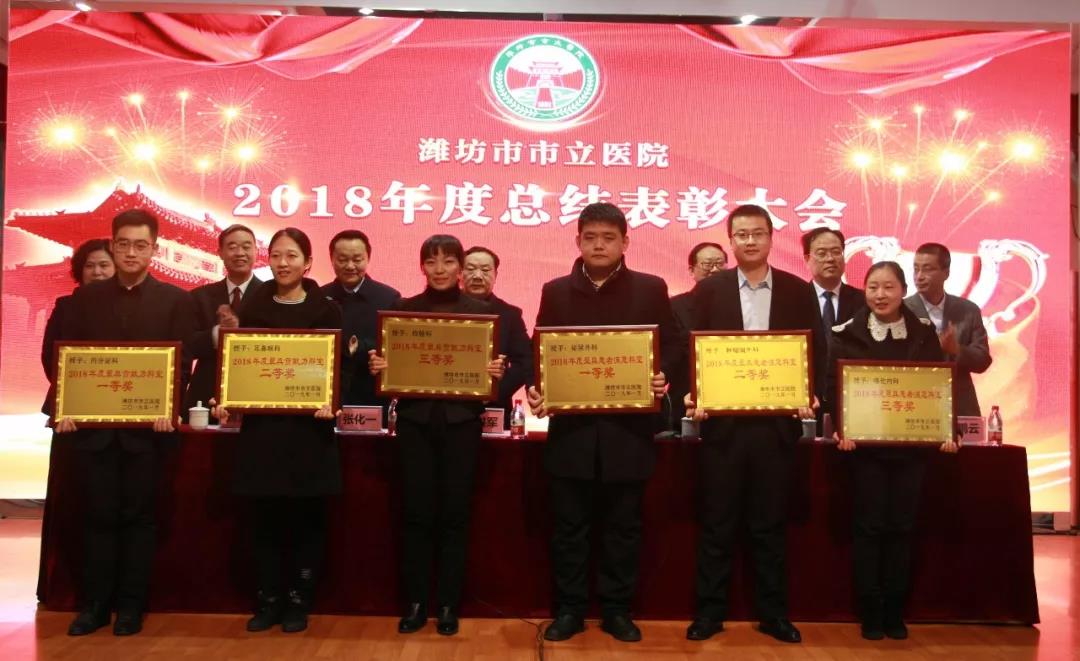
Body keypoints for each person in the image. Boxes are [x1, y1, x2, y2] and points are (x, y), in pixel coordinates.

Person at [526, 202, 682, 643]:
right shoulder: (556, 291)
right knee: (569, 528)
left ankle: (617, 610)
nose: (599, 245)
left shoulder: (650, 288)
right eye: (590, 237)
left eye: (608, 238)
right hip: (572, 434)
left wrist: (662, 374)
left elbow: (673, 345)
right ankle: (570, 610)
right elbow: (541, 351)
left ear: (625, 242)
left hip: (627, 432)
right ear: (577, 241)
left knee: (623, 527)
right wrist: (537, 388)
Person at [55, 210, 195, 637]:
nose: (131, 252)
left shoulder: (176, 301)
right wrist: (68, 406)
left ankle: (131, 607)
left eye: (140, 245)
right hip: (94, 433)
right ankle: (95, 606)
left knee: (140, 518)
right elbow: (69, 359)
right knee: (96, 517)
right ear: (112, 246)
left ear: (154, 249)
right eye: (123, 244)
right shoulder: (85, 300)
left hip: (148, 435)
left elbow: (181, 366)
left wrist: (169, 407)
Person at [684, 204, 816, 644]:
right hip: (723, 427)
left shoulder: (797, 290)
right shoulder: (710, 290)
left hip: (776, 427)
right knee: (717, 523)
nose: (750, 241)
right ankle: (709, 614)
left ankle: (773, 615)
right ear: (731, 241)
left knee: (770, 524)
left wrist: (810, 393)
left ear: (771, 237)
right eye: (741, 234)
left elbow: (815, 351)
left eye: (758, 233)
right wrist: (695, 394)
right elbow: (693, 351)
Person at [368, 235, 506, 637]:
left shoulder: (481, 313)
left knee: (455, 515)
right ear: (422, 267)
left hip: (462, 424)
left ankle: (447, 604)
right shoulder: (402, 309)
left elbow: (492, 373)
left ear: (460, 266)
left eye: (448, 261)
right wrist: (380, 366)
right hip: (415, 423)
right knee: (415, 513)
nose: (440, 269)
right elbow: (389, 368)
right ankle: (415, 602)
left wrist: (495, 374)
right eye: (432, 261)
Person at [213, 227, 344, 634]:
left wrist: (331, 401)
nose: (282, 264)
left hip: (309, 435)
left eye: (292, 256)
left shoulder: (327, 310)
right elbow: (241, 364)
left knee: (306, 521)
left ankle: (298, 600)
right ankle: (268, 599)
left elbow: (337, 369)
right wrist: (228, 396)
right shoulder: (254, 304)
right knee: (263, 521)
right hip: (263, 434)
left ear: (308, 263)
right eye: (276, 256)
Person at [827, 261, 959, 640]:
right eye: (873, 288)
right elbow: (832, 388)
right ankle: (870, 610)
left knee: (902, 527)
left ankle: (895, 610)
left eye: (888, 287)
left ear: (903, 291)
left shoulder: (923, 332)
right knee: (869, 527)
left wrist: (945, 430)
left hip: (910, 449)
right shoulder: (846, 333)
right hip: (865, 450)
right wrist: (842, 428)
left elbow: (936, 387)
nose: (880, 295)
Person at [904, 243, 992, 417]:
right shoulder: (901, 311)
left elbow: (983, 361)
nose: (919, 276)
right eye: (916, 269)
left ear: (946, 273)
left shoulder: (968, 310)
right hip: (914, 405)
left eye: (928, 269)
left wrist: (957, 350)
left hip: (959, 407)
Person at [184, 224, 262, 416]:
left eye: (246, 247)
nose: (240, 253)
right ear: (220, 252)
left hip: (256, 393)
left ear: (256, 251)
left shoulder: (270, 296)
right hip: (206, 394)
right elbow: (187, 345)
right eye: (232, 247)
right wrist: (217, 334)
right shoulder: (199, 296)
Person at [321, 229, 400, 409]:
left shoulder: (389, 298)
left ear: (368, 258)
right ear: (331, 259)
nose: (350, 266)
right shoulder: (319, 297)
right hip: (330, 396)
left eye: (357, 259)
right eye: (342, 259)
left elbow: (396, 347)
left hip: (372, 395)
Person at [41, 238, 115, 416]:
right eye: (89, 266)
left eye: (104, 265)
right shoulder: (65, 306)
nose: (96, 272)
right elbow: (49, 356)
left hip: (120, 396)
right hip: (72, 402)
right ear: (80, 271)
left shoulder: (133, 308)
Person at [461, 245, 533, 427]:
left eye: (485, 270)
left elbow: (524, 362)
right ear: (459, 273)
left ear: (496, 275)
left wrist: (495, 391)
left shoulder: (510, 314)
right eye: (470, 269)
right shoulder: (442, 313)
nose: (478, 276)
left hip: (493, 409)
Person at [801, 228, 864, 432]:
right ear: (807, 259)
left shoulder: (864, 302)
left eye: (836, 252)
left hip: (854, 403)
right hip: (807, 405)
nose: (830, 258)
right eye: (822, 253)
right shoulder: (794, 299)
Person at [668, 242, 727, 431]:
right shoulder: (674, 306)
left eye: (720, 264)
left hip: (732, 400)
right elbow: (671, 354)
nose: (715, 270)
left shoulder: (740, 305)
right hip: (686, 402)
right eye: (707, 264)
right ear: (691, 270)